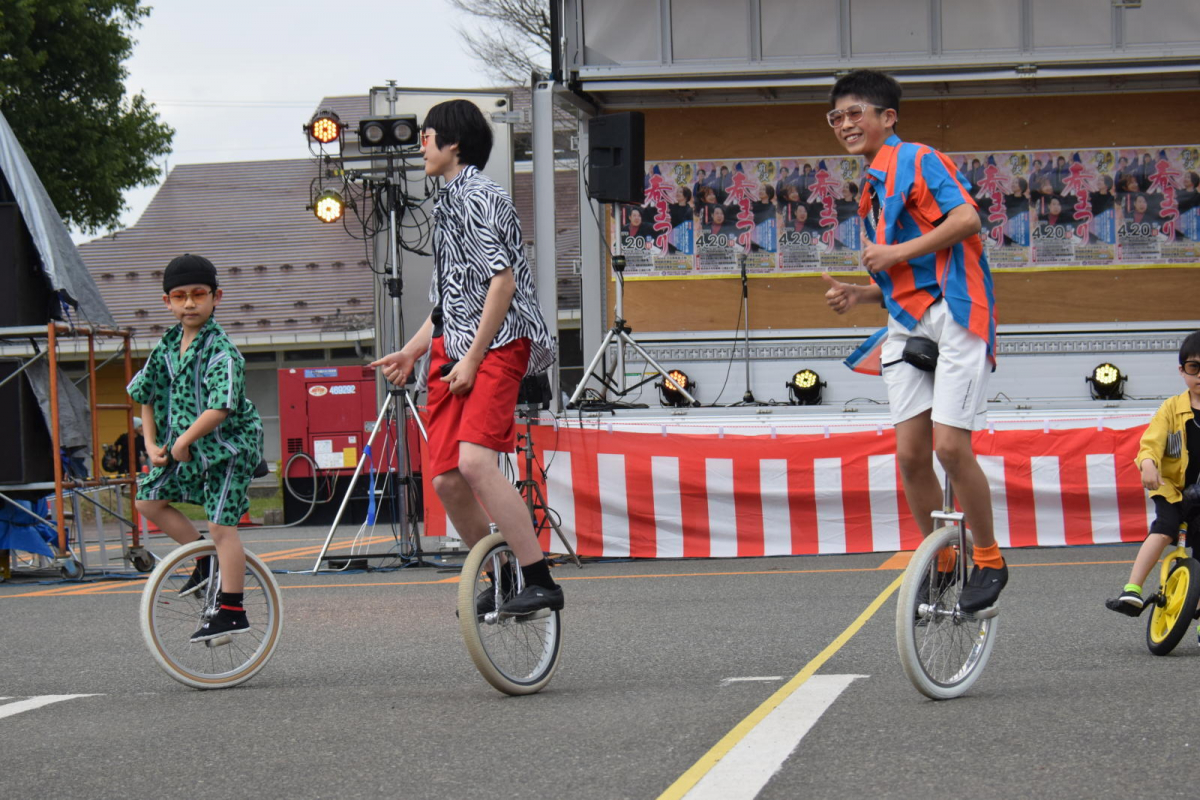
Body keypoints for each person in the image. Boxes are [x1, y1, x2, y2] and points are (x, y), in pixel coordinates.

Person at [820, 69, 1006, 615]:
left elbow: (968, 218)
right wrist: (860, 295)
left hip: (957, 308)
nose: (846, 124)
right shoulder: (869, 191)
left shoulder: (919, 158)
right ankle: (944, 560)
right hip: (907, 320)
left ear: (887, 117)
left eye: (856, 113)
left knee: (950, 446)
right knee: (909, 454)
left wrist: (895, 254)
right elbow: (901, 278)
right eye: (837, 116)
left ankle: (989, 558)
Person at [370, 99, 560, 617]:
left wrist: (473, 359)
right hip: (455, 348)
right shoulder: (448, 201)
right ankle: (503, 580)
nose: (421, 145)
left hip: (496, 344)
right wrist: (412, 351)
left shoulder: (479, 195)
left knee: (475, 462)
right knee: (445, 480)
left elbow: (503, 283)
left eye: (427, 135)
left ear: (453, 143)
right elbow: (447, 303)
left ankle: (539, 578)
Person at [129, 254, 264, 642]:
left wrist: (184, 440)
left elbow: (221, 407)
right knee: (147, 500)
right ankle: (204, 560)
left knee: (222, 525)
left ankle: (232, 610)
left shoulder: (222, 350)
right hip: (183, 446)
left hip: (229, 447)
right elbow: (145, 394)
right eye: (180, 296)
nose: (189, 303)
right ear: (167, 302)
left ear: (216, 297)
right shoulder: (167, 346)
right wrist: (150, 443)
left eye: (198, 294)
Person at [1106, 332, 1200, 628]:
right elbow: (1151, 443)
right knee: (1163, 530)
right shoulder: (1171, 409)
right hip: (1172, 489)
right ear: (1182, 370)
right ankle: (1132, 590)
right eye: (1194, 367)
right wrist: (1148, 464)